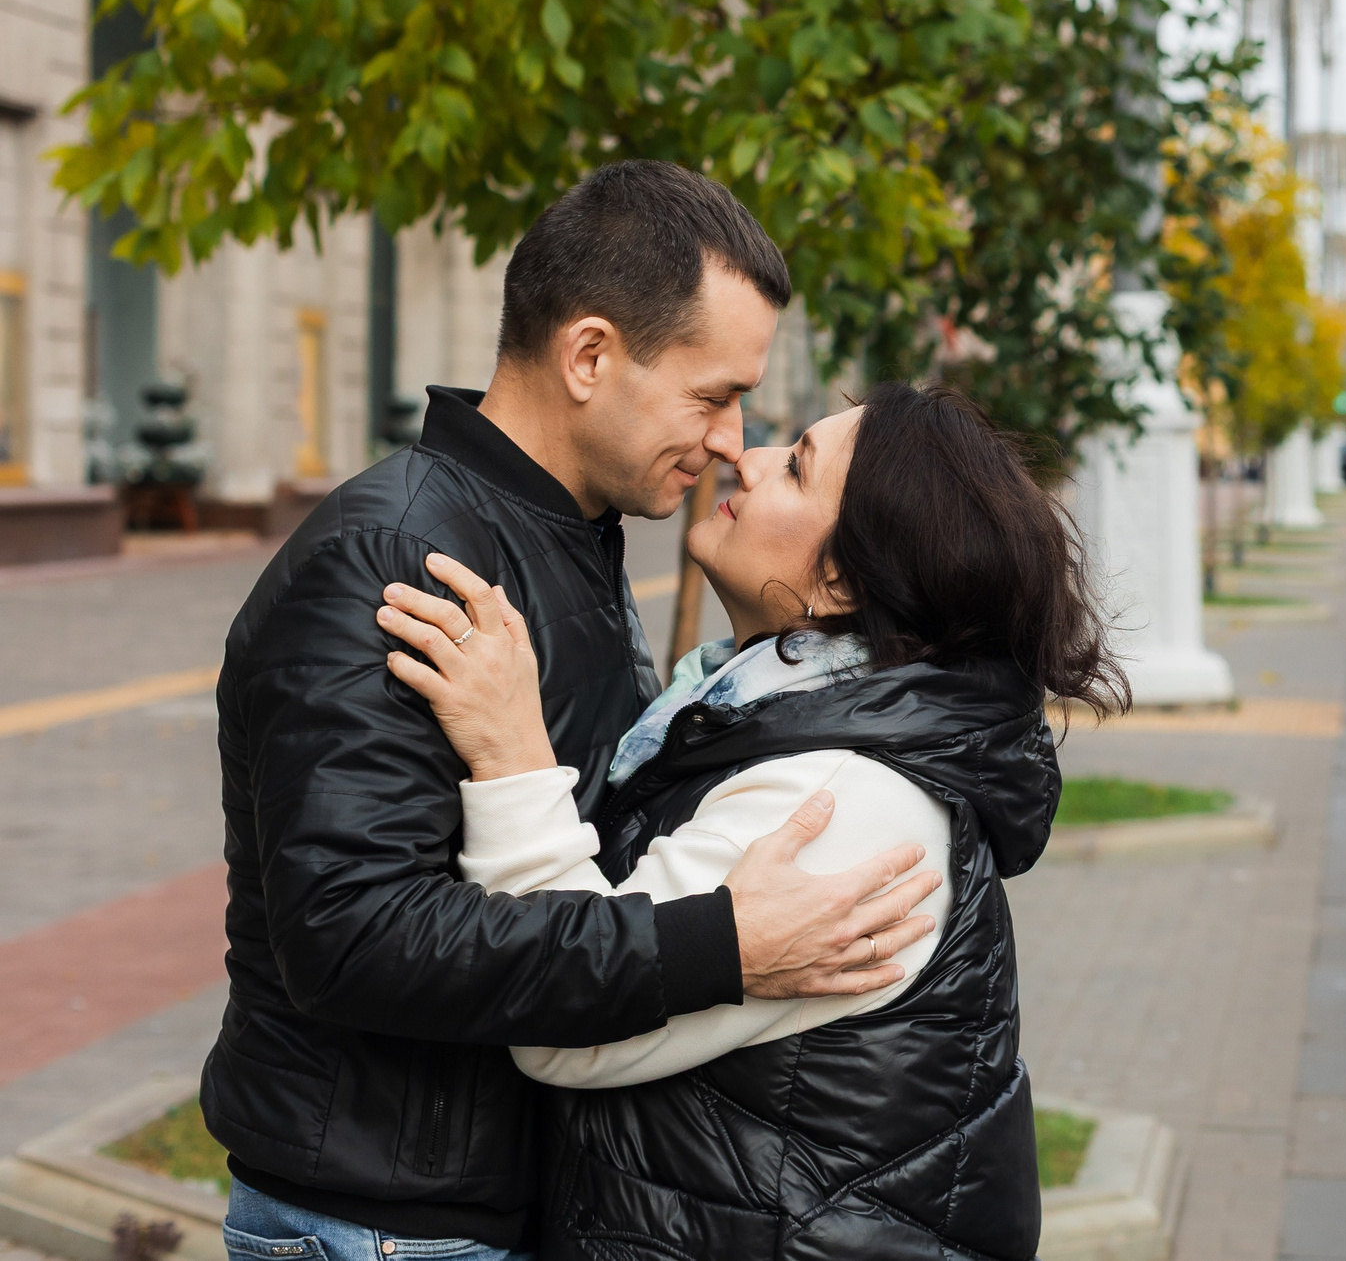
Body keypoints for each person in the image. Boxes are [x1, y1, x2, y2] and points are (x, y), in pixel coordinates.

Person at [207, 163, 938, 1261]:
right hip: (383, 1224)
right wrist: (720, 943)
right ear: (590, 355)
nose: (733, 438)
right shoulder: (401, 557)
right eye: (712, 395)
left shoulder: (565, 535)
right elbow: (352, 935)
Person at [374, 380, 1127, 1259]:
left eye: (797, 467)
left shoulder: (839, 807)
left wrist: (512, 751)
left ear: (841, 578)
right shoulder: (779, 724)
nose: (748, 455)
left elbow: (562, 1026)